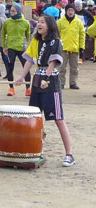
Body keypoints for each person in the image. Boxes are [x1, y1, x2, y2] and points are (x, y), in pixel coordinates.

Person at [15, 15, 75, 167]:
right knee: (34, 117)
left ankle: (69, 154)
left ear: (50, 25)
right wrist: (21, 77)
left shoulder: (56, 41)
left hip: (51, 81)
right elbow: (30, 60)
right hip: (37, 79)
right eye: (38, 22)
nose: (39, 24)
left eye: (42, 22)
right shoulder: (36, 40)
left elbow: (53, 62)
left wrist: (46, 78)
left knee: (58, 118)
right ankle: (34, 150)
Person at [2, 4, 31, 96]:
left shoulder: (26, 23)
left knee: (26, 66)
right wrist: (4, 46)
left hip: (22, 48)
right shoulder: (7, 22)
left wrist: (28, 47)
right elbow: (3, 34)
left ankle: (28, 88)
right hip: (10, 47)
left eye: (13, 11)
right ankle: (11, 88)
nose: (11, 12)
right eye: (11, 11)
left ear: (18, 12)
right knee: (10, 67)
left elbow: (28, 35)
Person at [57, 4, 85, 89]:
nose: (70, 12)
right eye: (69, 10)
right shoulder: (60, 22)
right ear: (66, 11)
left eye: (72, 10)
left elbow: (82, 35)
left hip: (74, 48)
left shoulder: (78, 22)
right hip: (63, 48)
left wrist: (82, 47)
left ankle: (73, 83)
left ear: (74, 11)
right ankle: (61, 83)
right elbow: (56, 34)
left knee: (75, 68)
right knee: (61, 68)